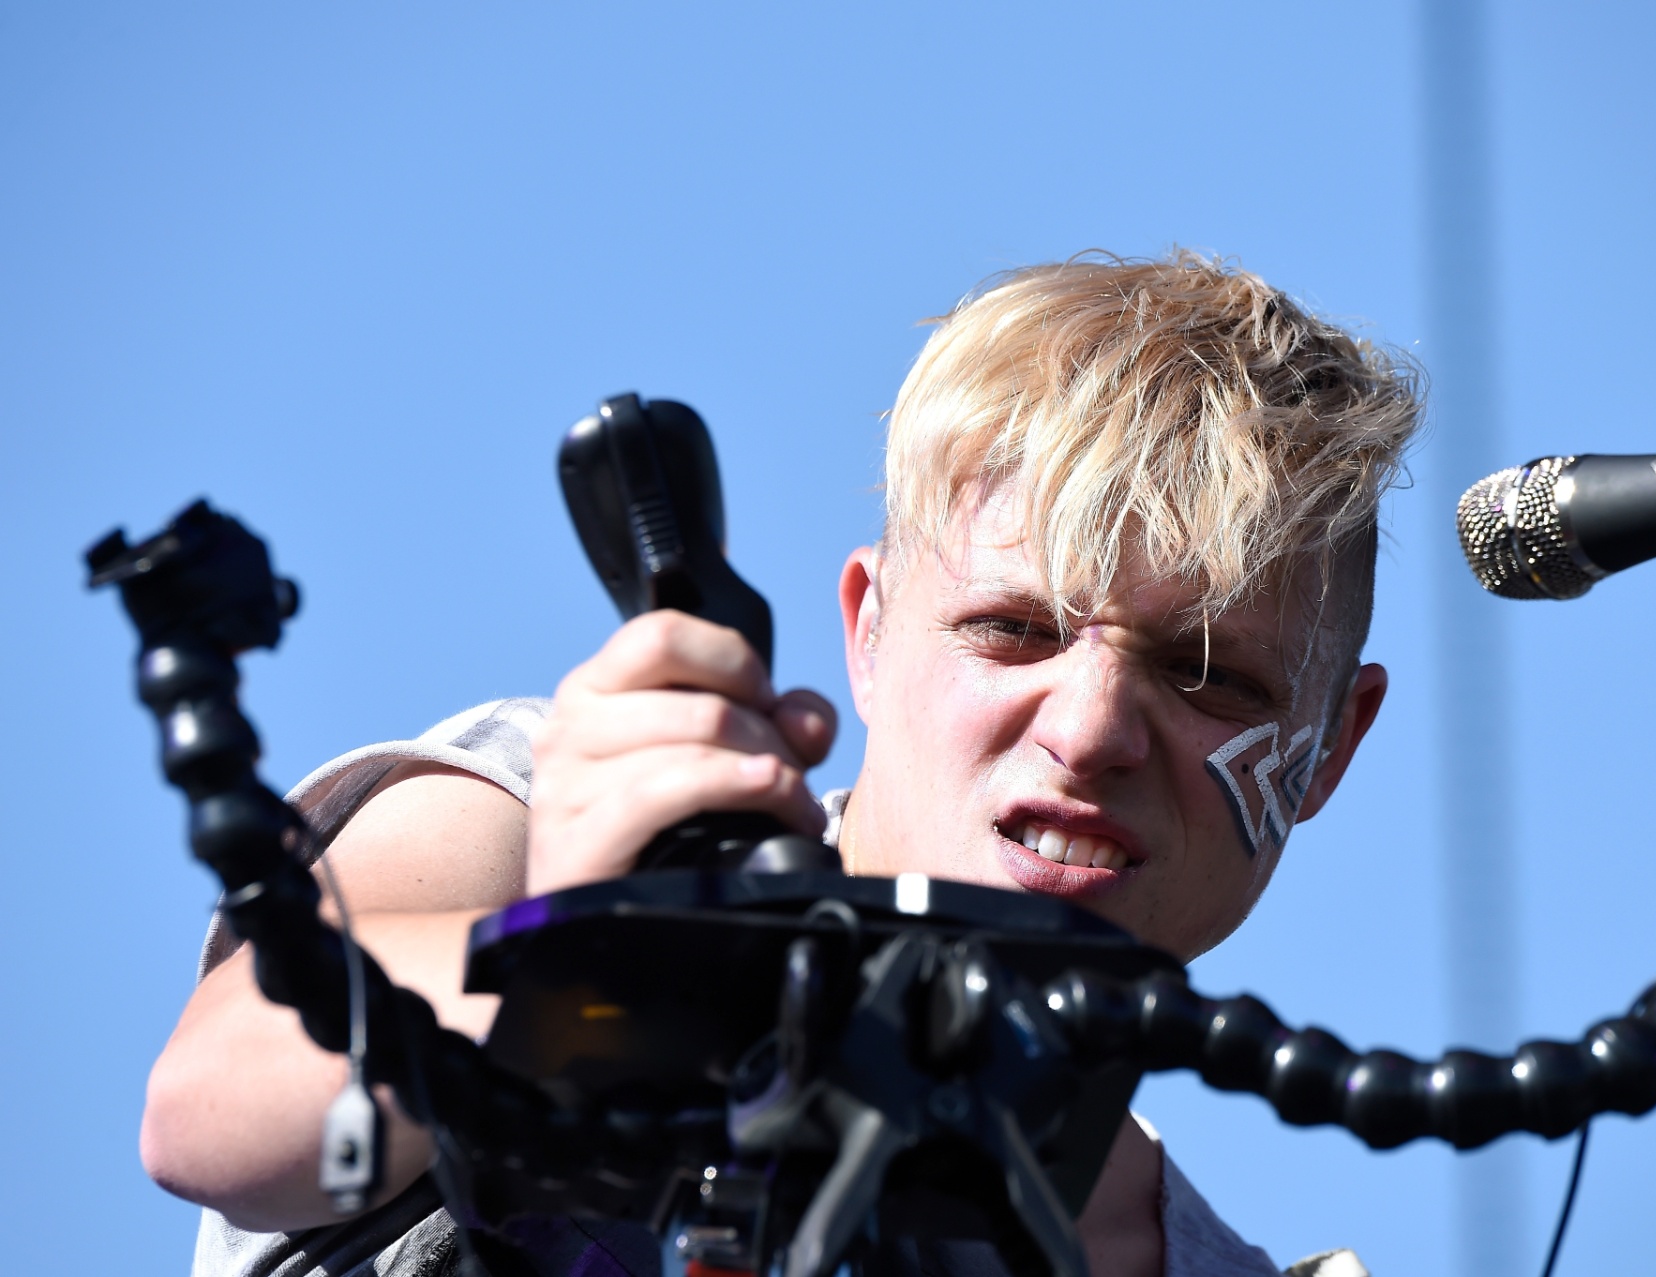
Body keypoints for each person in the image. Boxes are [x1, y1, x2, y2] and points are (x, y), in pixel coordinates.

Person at [142, 251, 1420, 1277]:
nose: (1090, 728)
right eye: (1012, 629)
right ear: (866, 632)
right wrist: (605, 952)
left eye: (1208, 673)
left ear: (1331, 747)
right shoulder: (547, 814)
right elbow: (213, 1104)